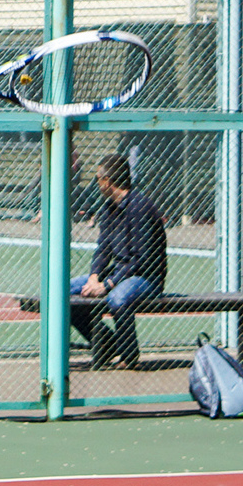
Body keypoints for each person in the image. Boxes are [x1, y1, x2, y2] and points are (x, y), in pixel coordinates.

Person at [70, 153, 166, 369]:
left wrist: (107, 284)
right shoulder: (108, 209)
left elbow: (142, 260)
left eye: (98, 178)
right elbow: (103, 249)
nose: (96, 183)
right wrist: (94, 277)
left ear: (108, 181)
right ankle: (106, 343)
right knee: (68, 292)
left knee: (118, 298)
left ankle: (128, 356)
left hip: (147, 277)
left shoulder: (140, 207)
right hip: (120, 273)